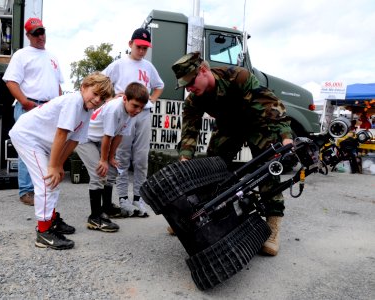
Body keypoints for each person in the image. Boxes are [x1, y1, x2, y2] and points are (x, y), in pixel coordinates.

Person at [171, 51, 293, 256]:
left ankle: (273, 224)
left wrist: (286, 137)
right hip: (228, 128)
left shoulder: (239, 77)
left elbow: (270, 103)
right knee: (211, 168)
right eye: (185, 86)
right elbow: (190, 130)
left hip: (258, 125)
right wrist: (185, 158)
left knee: (267, 169)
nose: (189, 88)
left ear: (203, 70)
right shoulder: (195, 99)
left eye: (190, 82)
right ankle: (197, 217)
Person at [9, 72, 114, 250]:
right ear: (83, 87)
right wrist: (53, 165)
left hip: (41, 141)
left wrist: (58, 166)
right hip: (27, 137)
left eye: (102, 98)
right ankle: (43, 233)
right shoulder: (74, 101)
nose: (97, 100)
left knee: (55, 179)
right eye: (95, 93)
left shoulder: (87, 111)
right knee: (47, 182)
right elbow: (61, 133)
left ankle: (51, 220)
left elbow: (73, 141)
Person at [102, 28, 164, 217]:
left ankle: (138, 197)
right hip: (124, 111)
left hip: (143, 114)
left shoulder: (148, 66)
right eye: (139, 47)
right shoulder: (119, 64)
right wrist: (111, 97)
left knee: (141, 157)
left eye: (145, 48)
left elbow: (159, 85)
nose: (142, 51)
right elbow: (101, 81)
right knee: (122, 155)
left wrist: (151, 100)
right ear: (130, 44)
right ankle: (122, 198)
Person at [3, 17, 64, 206]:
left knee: (46, 148)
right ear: (28, 35)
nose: (40, 36)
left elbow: (58, 85)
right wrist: (25, 102)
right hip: (30, 106)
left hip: (49, 108)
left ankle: (41, 187)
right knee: (27, 149)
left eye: (42, 31)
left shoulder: (53, 57)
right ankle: (26, 191)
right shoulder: (22, 55)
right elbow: (11, 81)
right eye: (36, 33)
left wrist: (60, 105)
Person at [76, 82, 149, 232]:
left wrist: (110, 159)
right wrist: (103, 160)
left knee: (111, 170)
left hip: (99, 140)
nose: (138, 110)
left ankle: (107, 207)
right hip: (85, 139)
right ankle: (95, 218)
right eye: (135, 105)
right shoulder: (114, 109)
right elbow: (107, 137)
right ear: (125, 99)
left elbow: (119, 135)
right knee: (99, 172)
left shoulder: (132, 113)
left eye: (141, 107)